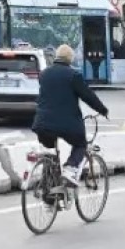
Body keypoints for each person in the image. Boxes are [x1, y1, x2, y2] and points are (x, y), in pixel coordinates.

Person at [33, 43, 109, 186]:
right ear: (70, 59)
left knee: (50, 153)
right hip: (66, 124)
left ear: (57, 57)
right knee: (81, 144)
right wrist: (102, 110)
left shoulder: (44, 74)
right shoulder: (73, 75)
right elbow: (88, 96)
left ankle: (48, 190)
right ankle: (70, 168)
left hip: (41, 123)